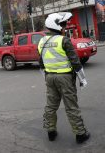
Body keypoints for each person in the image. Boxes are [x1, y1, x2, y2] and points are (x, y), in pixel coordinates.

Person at [37, 12, 90, 144]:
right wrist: (82, 79)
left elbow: (41, 64)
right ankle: (80, 134)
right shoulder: (63, 40)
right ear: (56, 25)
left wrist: (47, 77)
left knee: (51, 106)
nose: (65, 26)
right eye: (63, 24)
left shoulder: (41, 42)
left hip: (50, 77)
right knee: (71, 106)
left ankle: (51, 131)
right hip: (65, 78)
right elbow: (75, 62)